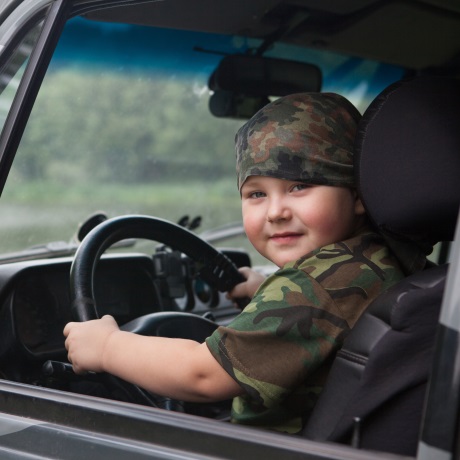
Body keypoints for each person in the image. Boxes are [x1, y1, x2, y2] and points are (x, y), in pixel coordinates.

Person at [64, 93, 425, 434]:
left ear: (357, 194)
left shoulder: (312, 288)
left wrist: (107, 347)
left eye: (300, 186)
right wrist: (261, 290)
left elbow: (201, 375)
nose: (276, 212)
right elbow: (323, 308)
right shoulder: (384, 257)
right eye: (256, 193)